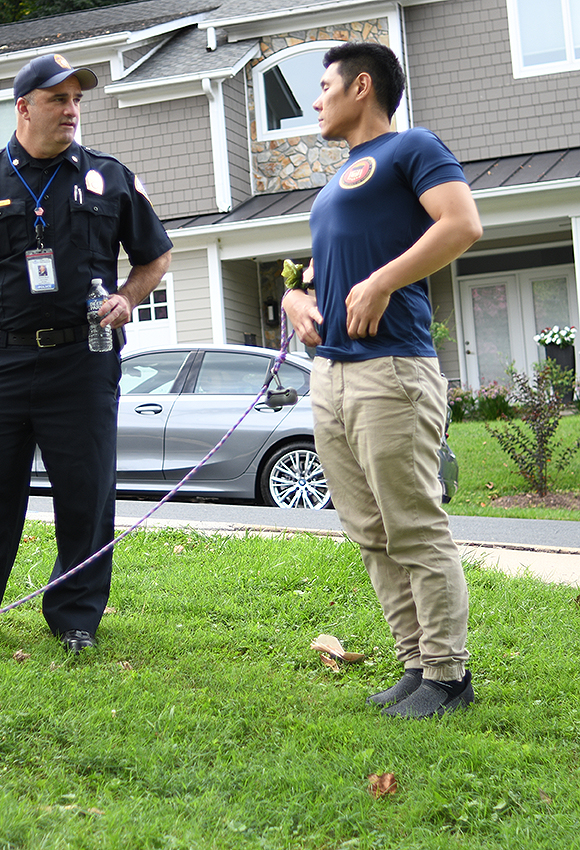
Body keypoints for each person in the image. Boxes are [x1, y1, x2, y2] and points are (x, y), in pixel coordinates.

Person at [0, 53, 172, 656]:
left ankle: (75, 618)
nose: (71, 110)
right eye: (59, 99)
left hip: (82, 360)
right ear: (24, 107)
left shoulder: (109, 177)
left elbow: (156, 255)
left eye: (77, 100)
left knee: (86, 493)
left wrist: (127, 297)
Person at [282, 42, 482, 717]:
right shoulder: (334, 184)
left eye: (324, 86)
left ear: (361, 86)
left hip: (392, 370)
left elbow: (462, 223)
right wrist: (294, 299)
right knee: (370, 530)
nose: (316, 101)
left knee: (413, 526)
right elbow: (317, 274)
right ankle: (415, 664)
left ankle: (448, 677)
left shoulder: (412, 148)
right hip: (331, 375)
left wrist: (382, 282)